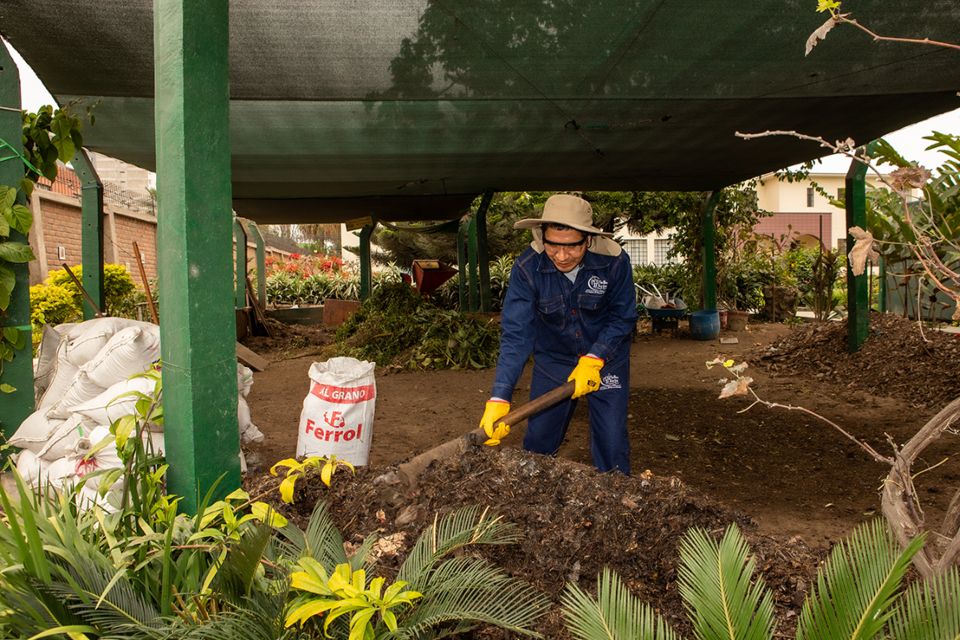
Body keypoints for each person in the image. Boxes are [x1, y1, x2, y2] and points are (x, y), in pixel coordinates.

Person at [479, 193, 637, 474]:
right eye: (553, 246)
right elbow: (517, 334)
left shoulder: (614, 262)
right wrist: (500, 397)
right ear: (542, 237)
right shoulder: (528, 269)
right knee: (539, 441)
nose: (562, 256)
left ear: (588, 239)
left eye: (572, 247)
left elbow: (622, 317)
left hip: (605, 361)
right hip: (554, 362)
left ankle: (618, 497)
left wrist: (595, 357)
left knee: (611, 442)